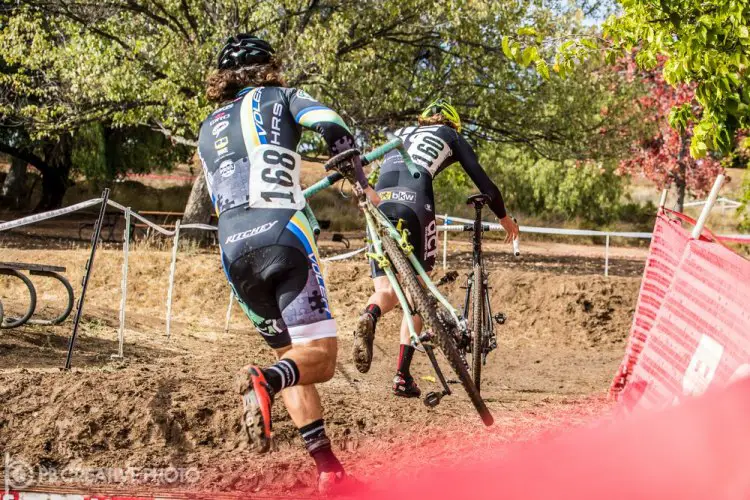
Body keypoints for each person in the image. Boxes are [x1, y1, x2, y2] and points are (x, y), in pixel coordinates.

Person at [197, 34, 376, 493]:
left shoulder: (205, 129)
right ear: (268, 68)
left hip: (233, 252)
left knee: (292, 353)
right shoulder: (284, 97)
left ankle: (328, 469)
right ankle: (263, 380)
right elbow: (329, 121)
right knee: (320, 359)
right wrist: (356, 175)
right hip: (283, 235)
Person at [352, 98, 520, 397]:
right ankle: (402, 376)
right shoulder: (451, 135)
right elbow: (486, 185)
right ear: (452, 123)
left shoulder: (400, 133)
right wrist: (506, 219)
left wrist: (365, 191)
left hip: (379, 203)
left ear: (422, 120)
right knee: (418, 293)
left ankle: (370, 315)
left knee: (387, 289)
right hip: (415, 203)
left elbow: (357, 166)